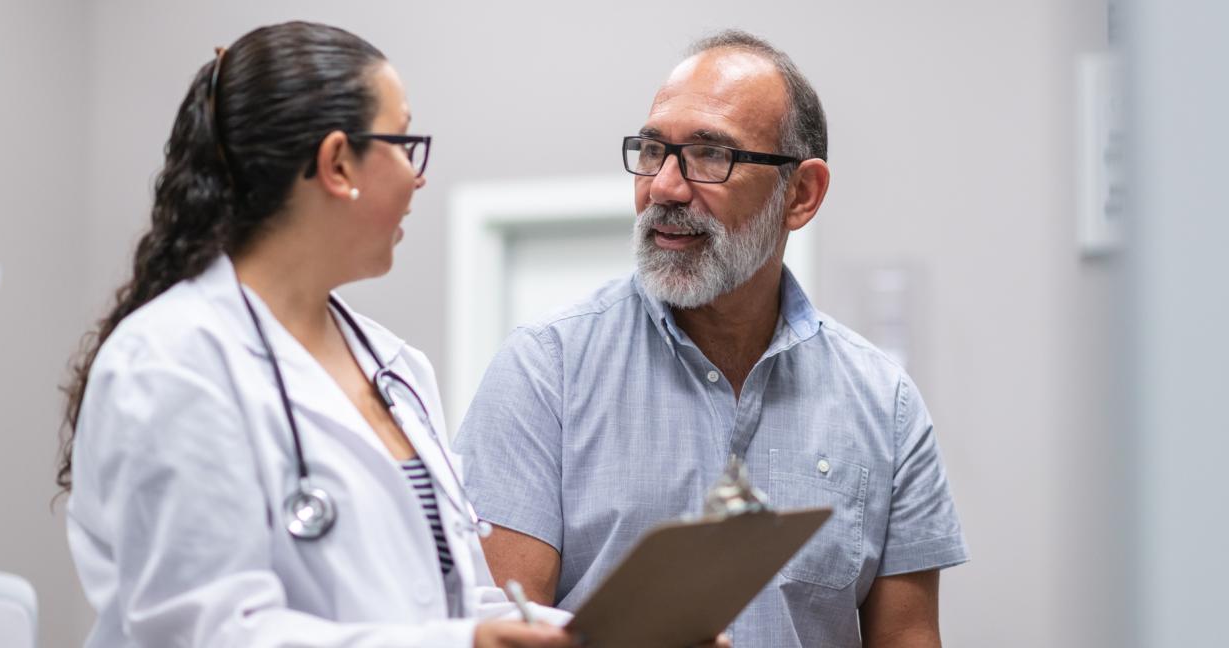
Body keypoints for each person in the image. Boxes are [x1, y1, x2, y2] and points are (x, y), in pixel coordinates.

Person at [58, 21, 576, 648]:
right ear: (337, 163)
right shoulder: (170, 363)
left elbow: (458, 597)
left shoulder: (394, 367)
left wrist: (614, 634)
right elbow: (207, 630)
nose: (419, 177)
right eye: (403, 141)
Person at [453, 30, 969, 648]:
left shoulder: (886, 406)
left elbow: (909, 637)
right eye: (651, 150)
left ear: (800, 194)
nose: (665, 187)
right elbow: (500, 633)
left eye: (710, 155)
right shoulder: (545, 371)